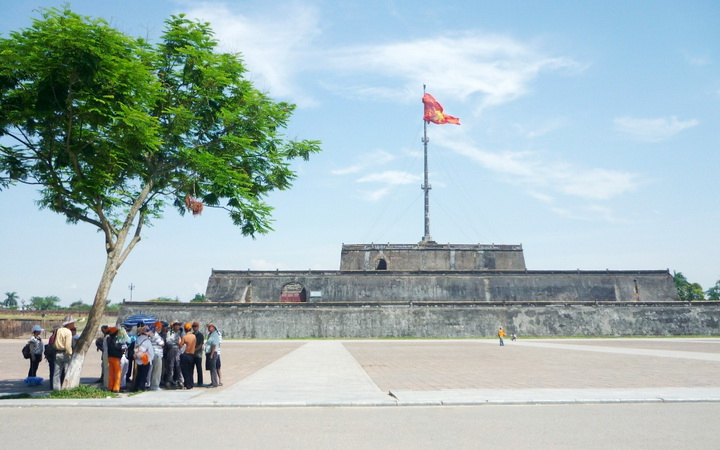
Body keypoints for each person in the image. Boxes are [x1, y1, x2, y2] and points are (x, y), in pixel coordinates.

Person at [52, 315, 76, 390]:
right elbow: (68, 346)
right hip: (65, 353)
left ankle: (56, 389)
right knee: (67, 372)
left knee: (56, 374)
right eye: (72, 323)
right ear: (69, 324)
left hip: (57, 353)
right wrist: (70, 353)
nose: (74, 324)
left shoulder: (58, 330)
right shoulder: (68, 332)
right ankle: (67, 389)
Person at [133, 326, 154, 392]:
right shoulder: (147, 341)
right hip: (145, 359)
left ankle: (136, 387)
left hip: (138, 359)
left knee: (138, 374)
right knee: (144, 374)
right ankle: (141, 387)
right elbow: (151, 352)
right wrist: (150, 359)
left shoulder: (137, 339)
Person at [164, 320, 183, 388]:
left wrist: (179, 343)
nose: (178, 326)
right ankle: (169, 381)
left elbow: (182, 342)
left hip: (178, 349)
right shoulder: (170, 333)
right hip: (171, 349)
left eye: (178, 325)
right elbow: (168, 341)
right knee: (170, 365)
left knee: (178, 366)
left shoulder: (180, 333)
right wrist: (176, 342)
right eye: (176, 325)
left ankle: (180, 381)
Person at [105, 327, 124, 393]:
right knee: (118, 373)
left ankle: (110, 387)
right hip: (115, 358)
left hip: (110, 357)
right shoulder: (116, 339)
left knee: (111, 373)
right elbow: (117, 347)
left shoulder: (108, 339)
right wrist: (121, 346)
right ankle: (116, 388)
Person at [179, 322, 196, 389]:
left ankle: (187, 384)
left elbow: (180, 345)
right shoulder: (194, 336)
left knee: (185, 370)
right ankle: (191, 384)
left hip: (185, 354)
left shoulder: (185, 337)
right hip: (192, 355)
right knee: (190, 370)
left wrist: (179, 341)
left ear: (185, 329)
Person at [148, 321, 165, 391]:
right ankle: (155, 385)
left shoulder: (151, 334)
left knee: (153, 370)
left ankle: (152, 384)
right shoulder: (156, 335)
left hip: (154, 354)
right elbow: (162, 343)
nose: (161, 328)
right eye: (160, 327)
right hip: (157, 354)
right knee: (157, 371)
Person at [204, 323, 221, 388]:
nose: (208, 329)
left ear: (213, 327)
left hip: (213, 353)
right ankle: (213, 381)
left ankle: (214, 383)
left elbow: (214, 345)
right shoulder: (211, 334)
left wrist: (211, 354)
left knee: (213, 368)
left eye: (209, 327)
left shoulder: (215, 335)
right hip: (210, 353)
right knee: (211, 368)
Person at [191, 322, 204, 387]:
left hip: (198, 354)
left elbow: (201, 345)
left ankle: (200, 382)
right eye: (193, 326)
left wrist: (194, 350)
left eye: (196, 326)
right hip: (192, 354)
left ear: (198, 327)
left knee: (199, 368)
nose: (194, 328)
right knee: (191, 368)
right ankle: (191, 381)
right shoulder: (192, 335)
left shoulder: (200, 335)